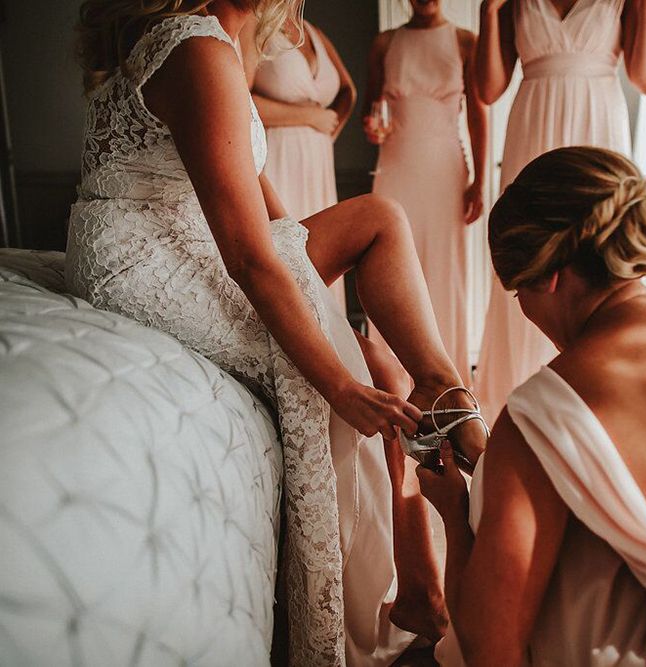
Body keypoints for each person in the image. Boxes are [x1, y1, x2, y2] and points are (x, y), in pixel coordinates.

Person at [67, 1, 487, 663]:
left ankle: (442, 390)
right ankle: (421, 590)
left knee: (377, 239)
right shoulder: (193, 47)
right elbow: (247, 260)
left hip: (189, 237)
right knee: (367, 369)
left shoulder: (227, 41)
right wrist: (335, 382)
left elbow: (254, 188)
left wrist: (309, 257)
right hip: (147, 260)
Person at [419, 146, 646, 666]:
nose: (523, 309)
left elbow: (490, 650)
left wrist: (455, 512)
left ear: (548, 277)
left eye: (518, 291)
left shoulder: (545, 409)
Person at [472, 0, 646, 423]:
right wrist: (489, 12)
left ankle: (604, 405)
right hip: (532, 125)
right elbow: (487, 90)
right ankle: (515, 409)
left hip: (597, 119)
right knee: (531, 258)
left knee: (603, 259)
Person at [364, 0, 488, 385]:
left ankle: (447, 378)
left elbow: (478, 115)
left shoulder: (465, 41)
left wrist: (479, 181)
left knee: (444, 268)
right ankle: (390, 377)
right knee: (391, 263)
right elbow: (372, 109)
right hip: (395, 167)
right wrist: (372, 128)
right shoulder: (385, 43)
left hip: (445, 171)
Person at [252, 15, 356, 309]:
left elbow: (349, 90)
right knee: (285, 254)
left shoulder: (313, 31)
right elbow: (238, 95)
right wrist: (310, 117)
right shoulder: (254, 24)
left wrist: (329, 131)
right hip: (277, 156)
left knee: (321, 259)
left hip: (316, 161)